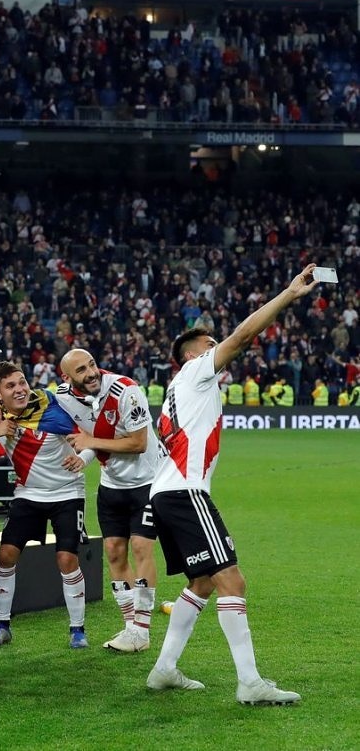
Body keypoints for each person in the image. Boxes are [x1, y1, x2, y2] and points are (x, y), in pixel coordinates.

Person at [144, 265, 319, 705]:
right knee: (232, 581)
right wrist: (289, 294)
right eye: (209, 345)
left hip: (168, 494)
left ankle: (164, 669)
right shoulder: (195, 372)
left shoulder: (181, 389)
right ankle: (250, 683)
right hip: (185, 493)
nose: (216, 349)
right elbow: (242, 337)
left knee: (201, 582)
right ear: (193, 355)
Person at [0, 361, 95, 649]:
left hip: (67, 493)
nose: (20, 389)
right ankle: (2, 626)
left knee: (66, 559)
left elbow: (91, 440)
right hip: (28, 494)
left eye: (22, 382)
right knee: (6, 555)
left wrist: (82, 459)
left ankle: (77, 630)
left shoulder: (51, 403)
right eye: (11, 386)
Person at [57, 349, 165, 653]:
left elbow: (138, 443)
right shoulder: (64, 397)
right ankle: (131, 627)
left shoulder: (126, 391)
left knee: (142, 547)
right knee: (114, 552)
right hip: (111, 485)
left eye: (92, 364)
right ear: (67, 378)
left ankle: (142, 629)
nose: (91, 373)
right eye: (81, 370)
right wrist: (85, 457)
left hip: (147, 482)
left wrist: (89, 443)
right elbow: (89, 436)